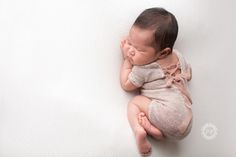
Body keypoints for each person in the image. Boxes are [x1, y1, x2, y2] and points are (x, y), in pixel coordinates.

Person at [120, 7, 193, 156]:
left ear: (163, 52)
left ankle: (138, 130)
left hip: (167, 114)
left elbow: (126, 84)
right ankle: (157, 133)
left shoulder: (144, 68)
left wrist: (127, 60)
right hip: (187, 120)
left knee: (135, 102)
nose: (131, 51)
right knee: (165, 122)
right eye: (130, 42)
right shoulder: (178, 56)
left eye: (139, 50)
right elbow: (189, 72)